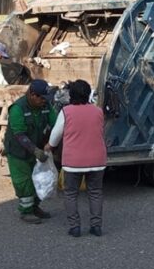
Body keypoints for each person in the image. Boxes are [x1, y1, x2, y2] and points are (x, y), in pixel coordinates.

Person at [45, 79, 107, 237]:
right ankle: (96, 226)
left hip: (74, 162)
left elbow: (56, 135)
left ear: (71, 95)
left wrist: (49, 147)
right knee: (95, 193)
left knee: (71, 193)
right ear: (88, 95)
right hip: (97, 160)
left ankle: (75, 227)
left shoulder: (66, 111)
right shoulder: (98, 111)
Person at [4, 79, 58, 224]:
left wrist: (51, 144)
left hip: (37, 148)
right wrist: (35, 151)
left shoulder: (46, 106)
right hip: (18, 151)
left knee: (38, 180)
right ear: (32, 95)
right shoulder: (17, 109)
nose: (44, 101)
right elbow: (19, 134)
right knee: (24, 181)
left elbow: (56, 124)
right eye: (41, 98)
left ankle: (35, 207)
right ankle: (25, 211)